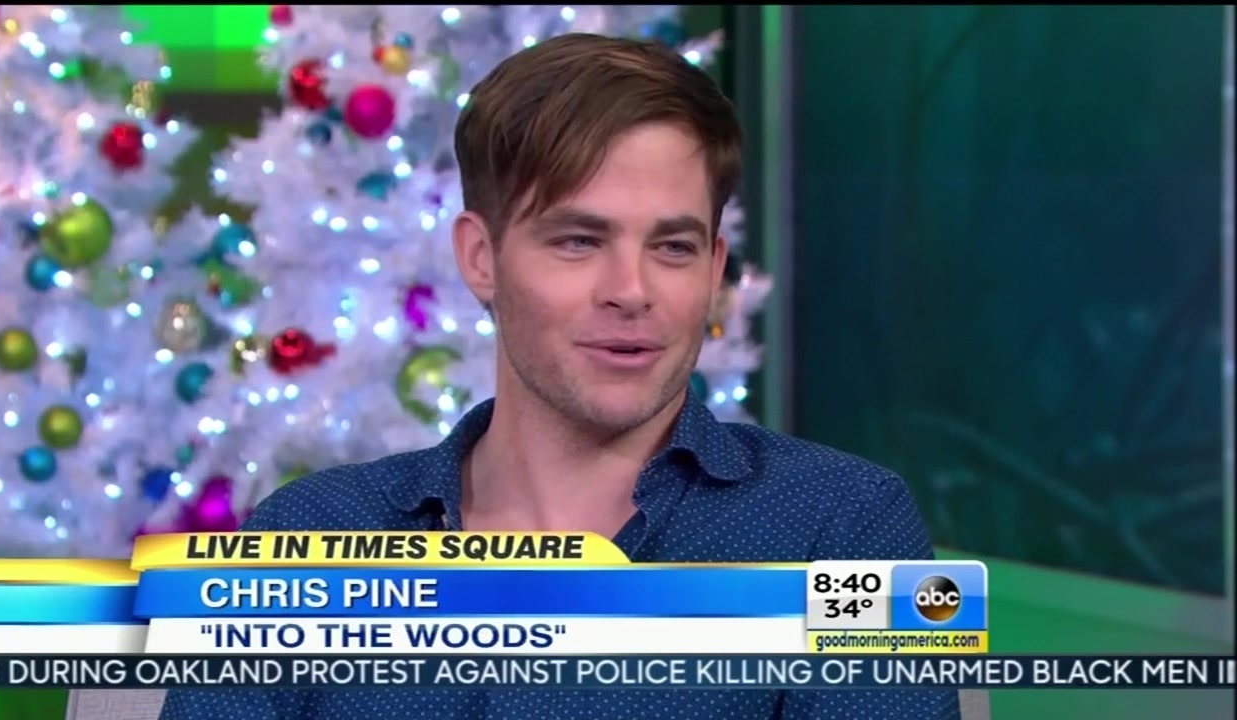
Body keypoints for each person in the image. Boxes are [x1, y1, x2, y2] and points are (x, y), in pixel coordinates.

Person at [159, 33, 961, 720]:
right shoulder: (308, 539)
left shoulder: (841, 532)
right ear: (481, 258)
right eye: (579, 241)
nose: (632, 290)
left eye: (673, 247)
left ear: (715, 269)